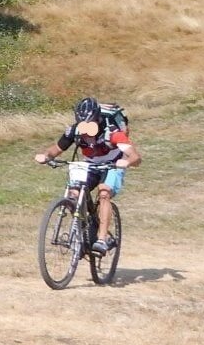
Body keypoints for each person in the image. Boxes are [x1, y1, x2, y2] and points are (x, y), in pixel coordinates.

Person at [33, 97, 140, 255]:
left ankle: (102, 239)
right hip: (89, 164)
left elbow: (136, 158)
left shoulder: (113, 133)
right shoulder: (74, 131)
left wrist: (127, 162)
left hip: (113, 164)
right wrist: (46, 156)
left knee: (104, 193)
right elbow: (56, 149)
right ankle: (83, 230)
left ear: (97, 118)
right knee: (74, 194)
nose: (85, 130)